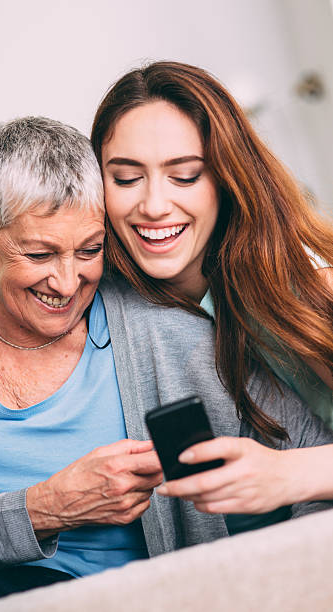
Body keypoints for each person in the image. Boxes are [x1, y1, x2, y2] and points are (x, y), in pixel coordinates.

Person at [0, 115, 332, 611]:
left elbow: (308, 459)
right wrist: (45, 508)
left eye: (90, 250)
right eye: (38, 254)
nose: (68, 282)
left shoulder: (175, 332)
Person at [90, 60, 333, 515]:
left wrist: (286, 474)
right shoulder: (107, 292)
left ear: (227, 178)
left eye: (185, 175)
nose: (154, 205)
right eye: (125, 178)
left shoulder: (301, 284)